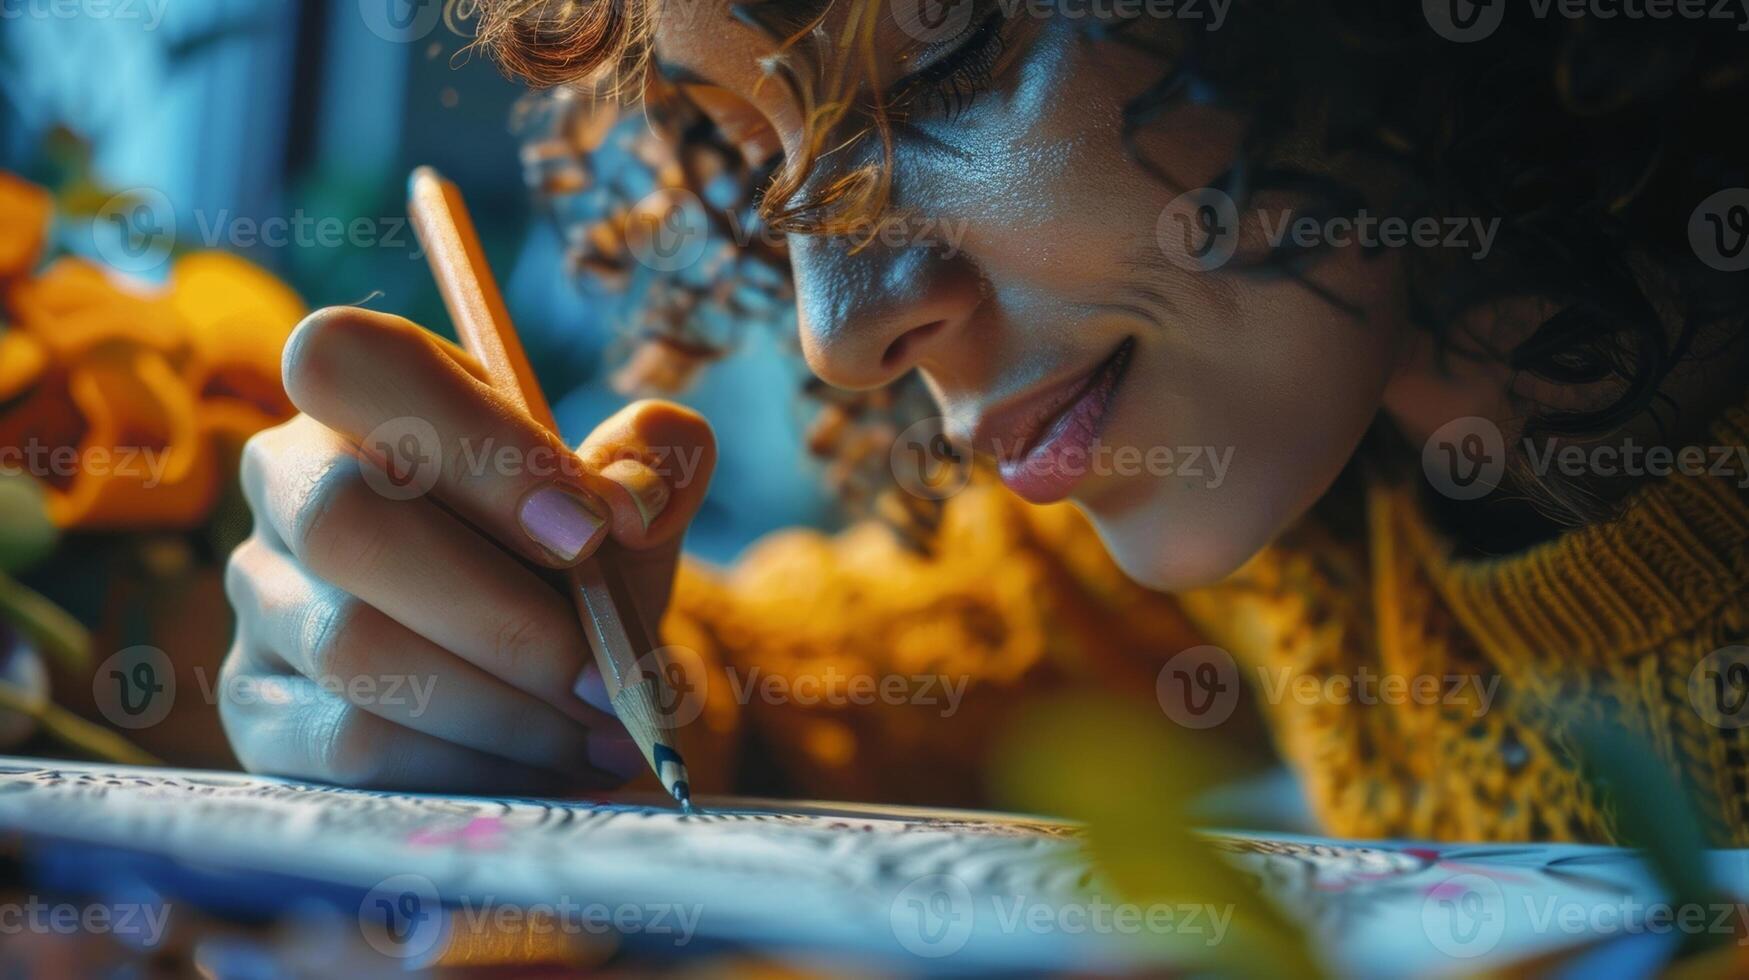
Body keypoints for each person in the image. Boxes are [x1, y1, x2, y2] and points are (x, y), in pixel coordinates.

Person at [220, 1, 1749, 843]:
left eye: (945, 49)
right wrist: (553, 684)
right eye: (751, 140)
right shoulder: (1294, 511)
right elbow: (934, 655)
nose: (837, 331)